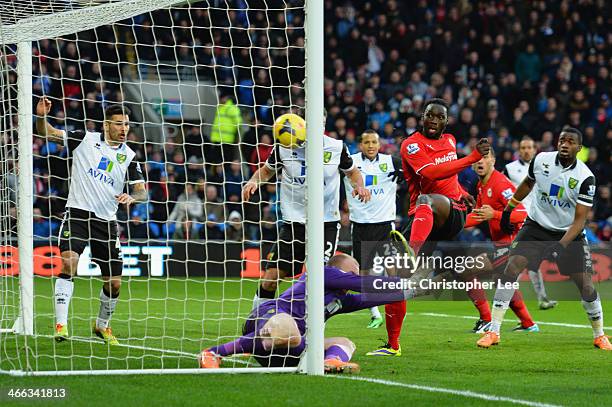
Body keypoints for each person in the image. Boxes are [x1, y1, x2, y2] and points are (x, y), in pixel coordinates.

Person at [368, 98, 490, 356]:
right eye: (429, 115)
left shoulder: (449, 140)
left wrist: (460, 192)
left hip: (450, 213)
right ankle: (393, 345)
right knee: (397, 280)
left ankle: (412, 250)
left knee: (427, 201)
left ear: (446, 121)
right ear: (421, 117)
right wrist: (472, 158)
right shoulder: (411, 145)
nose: (434, 120)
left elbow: (449, 177)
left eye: (440, 117)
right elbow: (431, 174)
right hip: (424, 218)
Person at [477, 127, 611, 350]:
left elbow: (579, 220)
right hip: (536, 226)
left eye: (570, 142)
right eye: (561, 140)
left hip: (569, 232)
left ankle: (599, 335)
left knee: (586, 285)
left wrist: (561, 245)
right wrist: (510, 207)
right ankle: (494, 331)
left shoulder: (586, 177)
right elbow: (528, 183)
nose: (564, 144)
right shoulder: (541, 160)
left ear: (579, 148)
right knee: (511, 268)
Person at [36, 97, 147, 345]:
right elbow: (48, 133)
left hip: (105, 222)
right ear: (106, 124)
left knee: (115, 284)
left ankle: (102, 326)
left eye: (127, 125)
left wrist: (133, 196)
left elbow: (142, 191)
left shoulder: (129, 156)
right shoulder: (84, 139)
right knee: (69, 263)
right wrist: (42, 116)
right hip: (77, 213)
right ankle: (61, 325)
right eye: (119, 124)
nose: (124, 129)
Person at [198, 254, 413, 373]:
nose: (354, 276)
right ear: (340, 270)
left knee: (345, 342)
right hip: (269, 317)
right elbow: (363, 284)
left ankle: (330, 362)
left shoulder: (340, 300)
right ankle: (214, 352)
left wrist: (419, 287)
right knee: (290, 330)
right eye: (352, 272)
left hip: (287, 350)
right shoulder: (324, 273)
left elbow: (377, 296)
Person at [242, 118, 370, 309]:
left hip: (325, 222)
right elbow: (266, 171)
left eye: (322, 121)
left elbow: (352, 173)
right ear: (302, 123)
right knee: (270, 278)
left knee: (317, 280)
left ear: (325, 123)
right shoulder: (283, 146)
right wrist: (253, 181)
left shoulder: (336, 147)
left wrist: (360, 186)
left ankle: (314, 326)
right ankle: (255, 322)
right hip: (294, 222)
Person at [463, 149, 538, 334]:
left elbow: (522, 213)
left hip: (515, 243)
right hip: (502, 244)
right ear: (472, 164)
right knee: (502, 283)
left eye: (485, 157)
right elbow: (478, 216)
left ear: (493, 161)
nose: (480, 161)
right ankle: (528, 324)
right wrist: (452, 225)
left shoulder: (500, 183)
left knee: (467, 270)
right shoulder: (481, 186)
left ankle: (487, 320)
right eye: (477, 159)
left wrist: (495, 214)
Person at [344, 129, 402, 329]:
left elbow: (412, 175)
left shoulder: (391, 162)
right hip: (360, 224)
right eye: (366, 142)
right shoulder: (349, 162)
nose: (370, 146)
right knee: (364, 271)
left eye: (374, 142)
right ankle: (375, 313)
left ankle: (395, 306)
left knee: (392, 267)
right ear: (360, 145)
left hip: (385, 223)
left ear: (379, 145)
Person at [505, 136, 557, 310]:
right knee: (523, 262)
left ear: (535, 150)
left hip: (538, 221)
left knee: (532, 262)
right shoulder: (509, 169)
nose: (526, 150)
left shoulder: (544, 168)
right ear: (519, 150)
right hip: (519, 222)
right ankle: (507, 296)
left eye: (529, 147)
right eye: (523, 147)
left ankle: (540, 299)